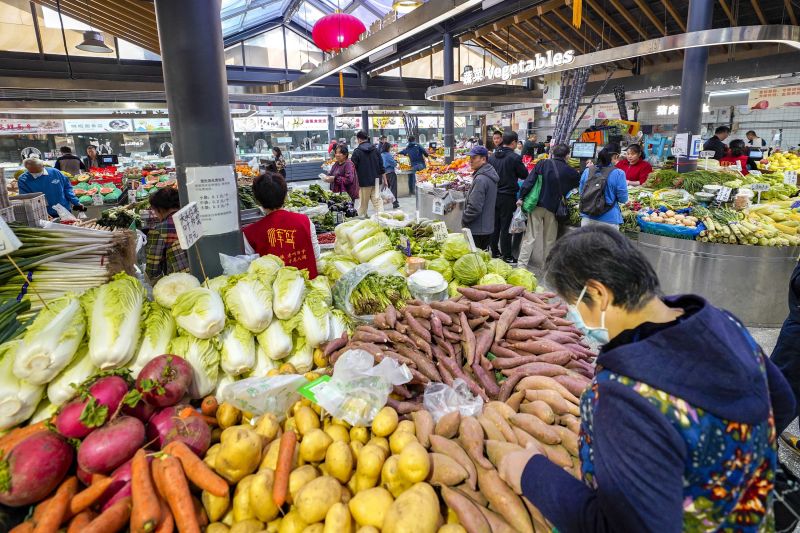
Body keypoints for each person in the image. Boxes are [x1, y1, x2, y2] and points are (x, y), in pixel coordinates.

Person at [497, 224, 795, 532]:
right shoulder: (724, 323)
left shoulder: (627, 397)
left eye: (571, 303)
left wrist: (531, 474)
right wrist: (730, 466)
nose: (571, 314)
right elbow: (782, 401)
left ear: (598, 293)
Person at [243, 171, 319, 278]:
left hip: (275, 292)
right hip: (310, 287)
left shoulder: (249, 234)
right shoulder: (305, 221)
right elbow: (316, 255)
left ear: (258, 200)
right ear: (285, 196)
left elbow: (250, 271)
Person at [518, 143, 579, 268]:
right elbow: (576, 184)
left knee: (530, 237)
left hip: (536, 205)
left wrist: (521, 197)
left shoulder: (542, 164)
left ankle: (521, 266)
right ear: (567, 156)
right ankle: (546, 268)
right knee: (549, 240)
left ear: (552, 153)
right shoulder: (570, 171)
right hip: (553, 208)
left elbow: (530, 181)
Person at [489, 131, 528, 263]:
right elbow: (524, 175)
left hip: (494, 195)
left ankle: (494, 251)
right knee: (506, 227)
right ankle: (507, 255)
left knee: (495, 225)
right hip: (507, 196)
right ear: (513, 142)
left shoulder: (493, 157)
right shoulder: (514, 158)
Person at [144, 187, 190, 282]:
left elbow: (152, 269)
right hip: (204, 273)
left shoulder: (159, 230)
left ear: (159, 209)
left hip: (181, 283)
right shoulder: (190, 217)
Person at [578, 143, 627, 229]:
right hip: (609, 220)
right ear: (616, 156)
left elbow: (581, 192)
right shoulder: (619, 173)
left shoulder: (587, 171)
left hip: (587, 218)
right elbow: (623, 199)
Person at [17, 157, 87, 217]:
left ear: (43, 166)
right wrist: (37, 213)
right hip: (43, 214)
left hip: (64, 210)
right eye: (33, 172)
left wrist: (76, 202)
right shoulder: (23, 179)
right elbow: (26, 199)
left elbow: (67, 188)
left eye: (38, 171)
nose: (37, 173)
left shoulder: (55, 172)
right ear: (27, 169)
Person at [461, 146, 499, 250]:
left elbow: (474, 207)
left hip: (477, 229)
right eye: (470, 158)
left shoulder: (481, 179)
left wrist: (464, 219)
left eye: (474, 158)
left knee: (476, 260)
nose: (470, 161)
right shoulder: (488, 174)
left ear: (483, 159)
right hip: (486, 227)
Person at [350, 130, 386, 216]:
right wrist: (385, 180)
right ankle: (382, 219)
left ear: (359, 139)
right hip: (377, 181)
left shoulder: (357, 151)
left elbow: (352, 167)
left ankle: (362, 222)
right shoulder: (376, 150)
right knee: (377, 202)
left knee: (363, 204)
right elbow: (381, 166)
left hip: (364, 182)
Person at [380, 142, 400, 209]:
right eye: (390, 147)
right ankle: (395, 203)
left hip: (383, 173)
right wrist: (396, 163)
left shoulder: (381, 154)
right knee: (393, 188)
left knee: (384, 188)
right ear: (387, 148)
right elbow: (393, 163)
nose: (390, 148)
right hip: (390, 172)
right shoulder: (387, 155)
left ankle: (379, 202)